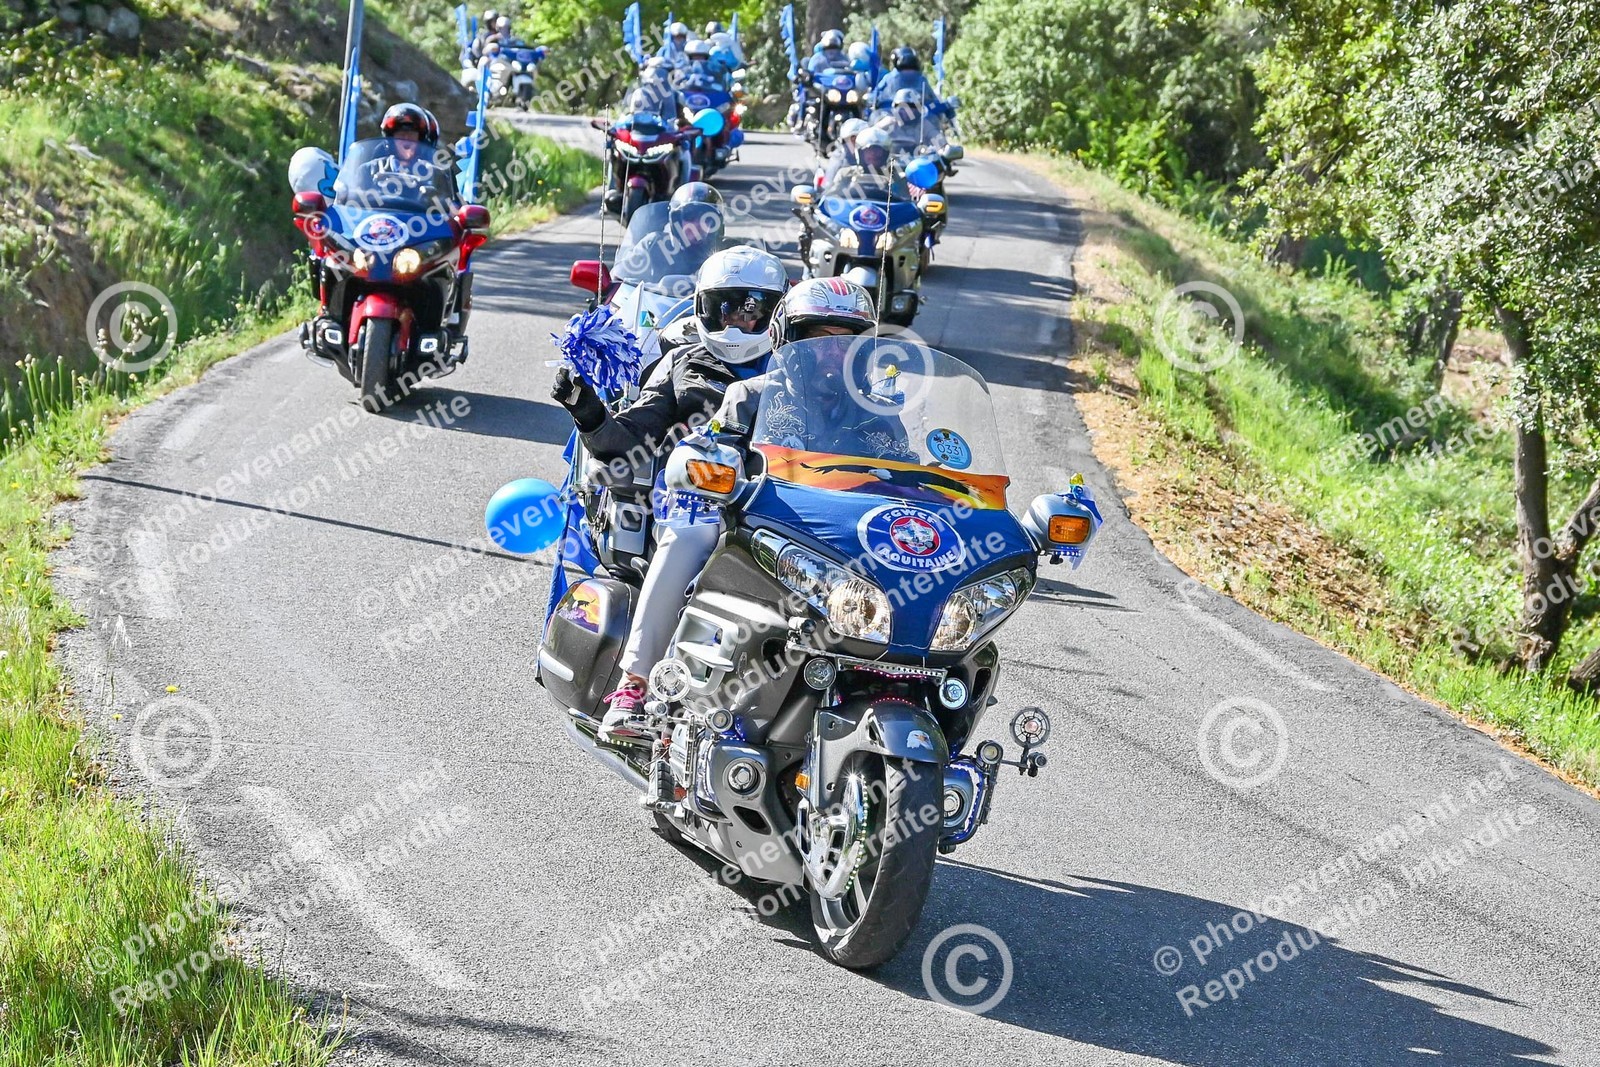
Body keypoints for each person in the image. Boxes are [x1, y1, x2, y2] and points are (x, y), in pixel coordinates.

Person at [550, 247, 790, 741]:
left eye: (753, 310)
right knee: (690, 534)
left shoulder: (796, 369)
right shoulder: (681, 362)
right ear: (703, 308)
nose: (738, 323)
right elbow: (628, 439)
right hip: (694, 504)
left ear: (777, 313)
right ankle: (634, 686)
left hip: (781, 504)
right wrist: (587, 411)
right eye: (726, 308)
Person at [872, 45, 941, 112]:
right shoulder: (921, 79)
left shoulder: (889, 78)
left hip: (899, 116)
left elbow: (874, 95)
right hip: (905, 116)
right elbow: (934, 101)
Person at [819, 117, 868, 188]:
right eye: (852, 138)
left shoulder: (874, 156)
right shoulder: (838, 159)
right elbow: (827, 188)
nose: (856, 141)